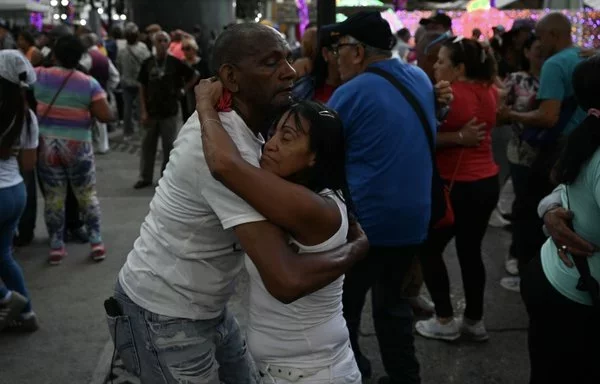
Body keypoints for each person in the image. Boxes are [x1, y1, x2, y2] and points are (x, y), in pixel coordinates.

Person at [106, 23, 368, 384]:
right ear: (231, 77)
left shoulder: (253, 135)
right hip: (163, 313)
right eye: (270, 63)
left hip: (202, 308)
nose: (289, 71)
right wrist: (357, 249)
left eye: (288, 59)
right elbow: (285, 277)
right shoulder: (221, 149)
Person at [194, 80, 362, 382]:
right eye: (273, 133)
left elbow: (223, 165)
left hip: (313, 374)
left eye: (287, 138)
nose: (270, 145)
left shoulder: (315, 207)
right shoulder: (296, 197)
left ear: (315, 156)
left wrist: (205, 105)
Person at [325, 12, 437, 384]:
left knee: (346, 310)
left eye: (339, 47)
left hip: (365, 226)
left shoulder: (351, 93)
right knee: (392, 305)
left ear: (357, 52)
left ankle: (357, 373)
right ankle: (405, 377)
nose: (334, 55)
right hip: (412, 221)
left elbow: (321, 156)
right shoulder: (419, 77)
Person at [520, 55, 600, 384]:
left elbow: (567, 189)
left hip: (560, 282)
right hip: (572, 294)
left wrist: (551, 210)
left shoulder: (588, 134)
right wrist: (551, 211)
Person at [416, 37, 500, 342]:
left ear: (459, 68)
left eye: (441, 61)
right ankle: (474, 321)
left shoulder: (450, 96)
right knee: (470, 252)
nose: (435, 67)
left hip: (456, 187)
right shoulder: (488, 90)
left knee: (429, 249)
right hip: (486, 182)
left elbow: (420, 136)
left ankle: (445, 318)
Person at [498, 12, 587, 277]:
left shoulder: (555, 64)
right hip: (583, 147)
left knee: (533, 212)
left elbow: (549, 117)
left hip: (555, 150)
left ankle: (530, 270)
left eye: (540, 36)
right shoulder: (585, 57)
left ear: (553, 35)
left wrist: (511, 115)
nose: (538, 42)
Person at [33, 35, 114, 264]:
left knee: (54, 198)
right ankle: (96, 241)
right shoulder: (88, 83)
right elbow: (106, 115)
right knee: (87, 195)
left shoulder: (38, 76)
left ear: (55, 54)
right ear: (80, 56)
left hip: (47, 148)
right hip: (78, 148)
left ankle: (57, 246)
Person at [498, 34, 543, 291]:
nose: (541, 54)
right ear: (526, 52)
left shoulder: (555, 77)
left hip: (549, 155)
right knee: (524, 205)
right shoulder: (516, 80)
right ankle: (517, 254)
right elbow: (500, 114)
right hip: (521, 153)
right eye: (536, 49)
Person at [0, 50, 39, 332]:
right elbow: (29, 164)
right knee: (3, 255)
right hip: (16, 193)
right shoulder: (28, 117)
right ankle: (26, 315)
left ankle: (6, 298)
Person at [133, 31, 198, 189]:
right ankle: (145, 176)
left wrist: (183, 90)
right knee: (148, 146)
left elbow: (194, 74)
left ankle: (166, 177)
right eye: (159, 41)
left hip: (169, 111)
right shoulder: (147, 63)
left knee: (169, 146)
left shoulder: (175, 62)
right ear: (154, 44)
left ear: (169, 44)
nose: (162, 43)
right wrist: (143, 110)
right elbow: (141, 86)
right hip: (151, 111)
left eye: (164, 41)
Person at [116, 22, 151, 140]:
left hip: (126, 82)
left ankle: (127, 132)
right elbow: (148, 64)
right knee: (141, 107)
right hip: (139, 83)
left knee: (127, 108)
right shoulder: (143, 48)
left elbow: (118, 66)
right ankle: (142, 131)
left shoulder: (121, 50)